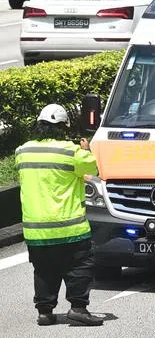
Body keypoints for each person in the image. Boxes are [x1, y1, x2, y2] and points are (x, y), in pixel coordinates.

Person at [15, 104, 103, 326]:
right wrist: (86, 149)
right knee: (79, 266)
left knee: (44, 270)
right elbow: (92, 170)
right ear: (64, 127)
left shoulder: (22, 151)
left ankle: (45, 312)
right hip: (69, 227)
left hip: (35, 230)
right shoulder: (71, 152)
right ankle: (78, 308)